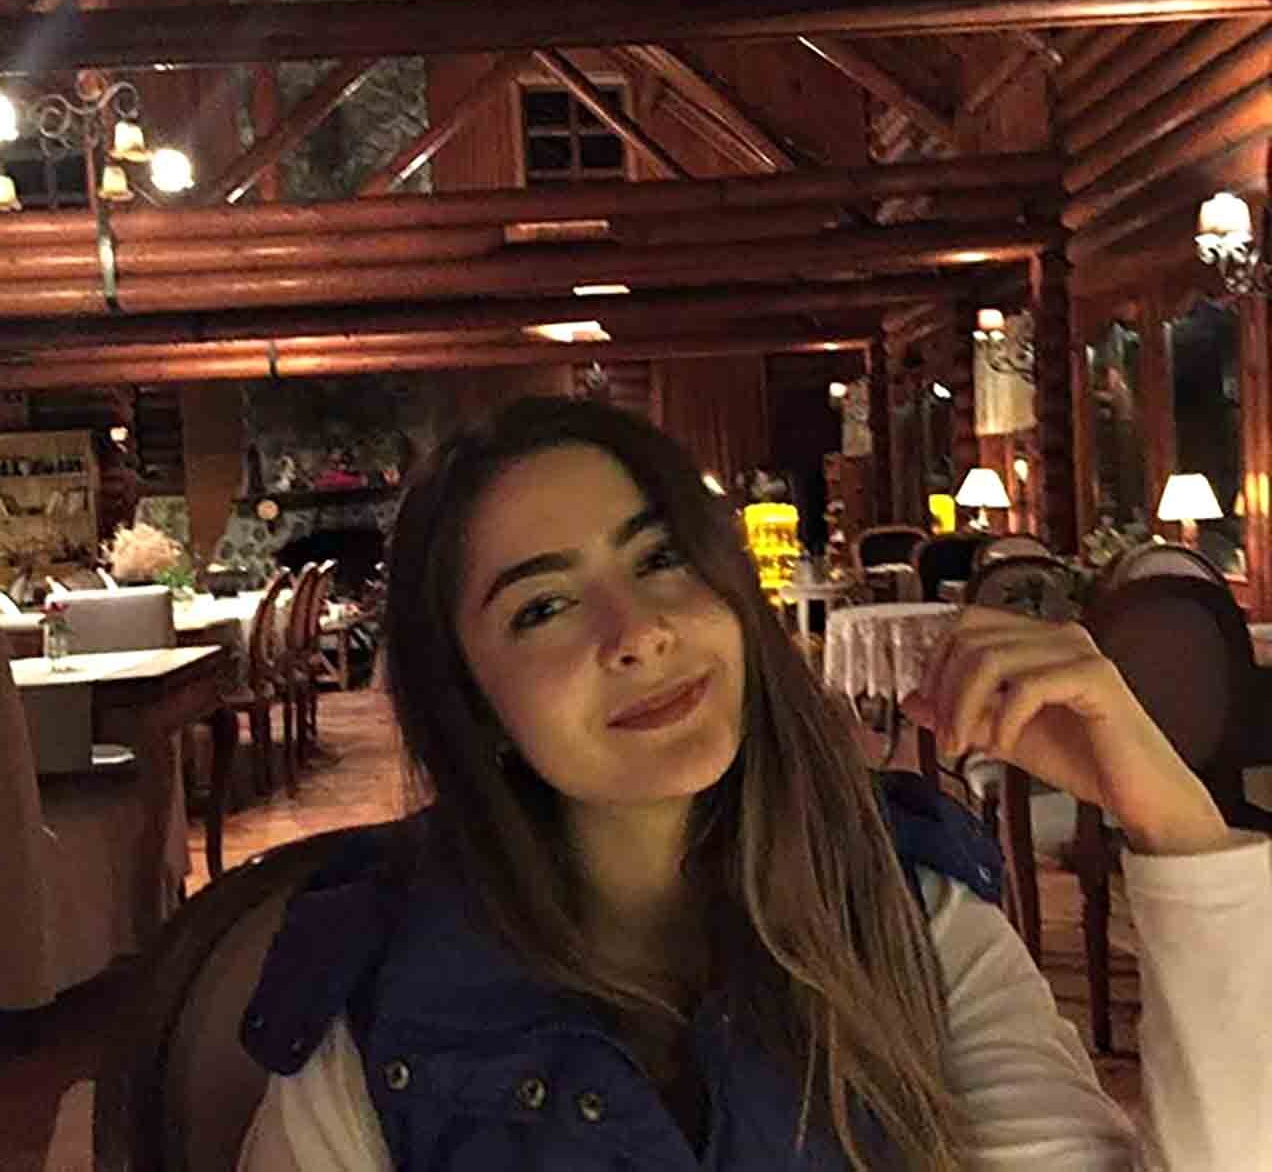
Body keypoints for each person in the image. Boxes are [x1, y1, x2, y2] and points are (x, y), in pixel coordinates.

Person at [238, 396, 1272, 1171]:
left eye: (660, 560)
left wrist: (1175, 820)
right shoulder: (387, 998)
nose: (639, 632)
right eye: (542, 608)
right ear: (473, 706)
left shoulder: (908, 911)